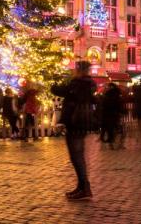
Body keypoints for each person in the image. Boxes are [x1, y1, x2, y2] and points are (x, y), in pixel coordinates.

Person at [51, 60, 96, 200]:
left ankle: (85, 187)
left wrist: (54, 81)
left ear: (79, 70)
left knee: (76, 156)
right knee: (78, 155)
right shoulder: (89, 84)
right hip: (82, 122)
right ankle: (82, 186)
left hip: (75, 121)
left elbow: (60, 91)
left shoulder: (78, 84)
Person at [100, 81, 123, 149]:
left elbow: (104, 104)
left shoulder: (108, 95)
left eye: (108, 87)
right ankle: (112, 141)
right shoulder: (117, 94)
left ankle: (110, 141)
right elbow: (119, 104)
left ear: (111, 87)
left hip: (108, 113)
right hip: (114, 113)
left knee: (109, 128)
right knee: (114, 127)